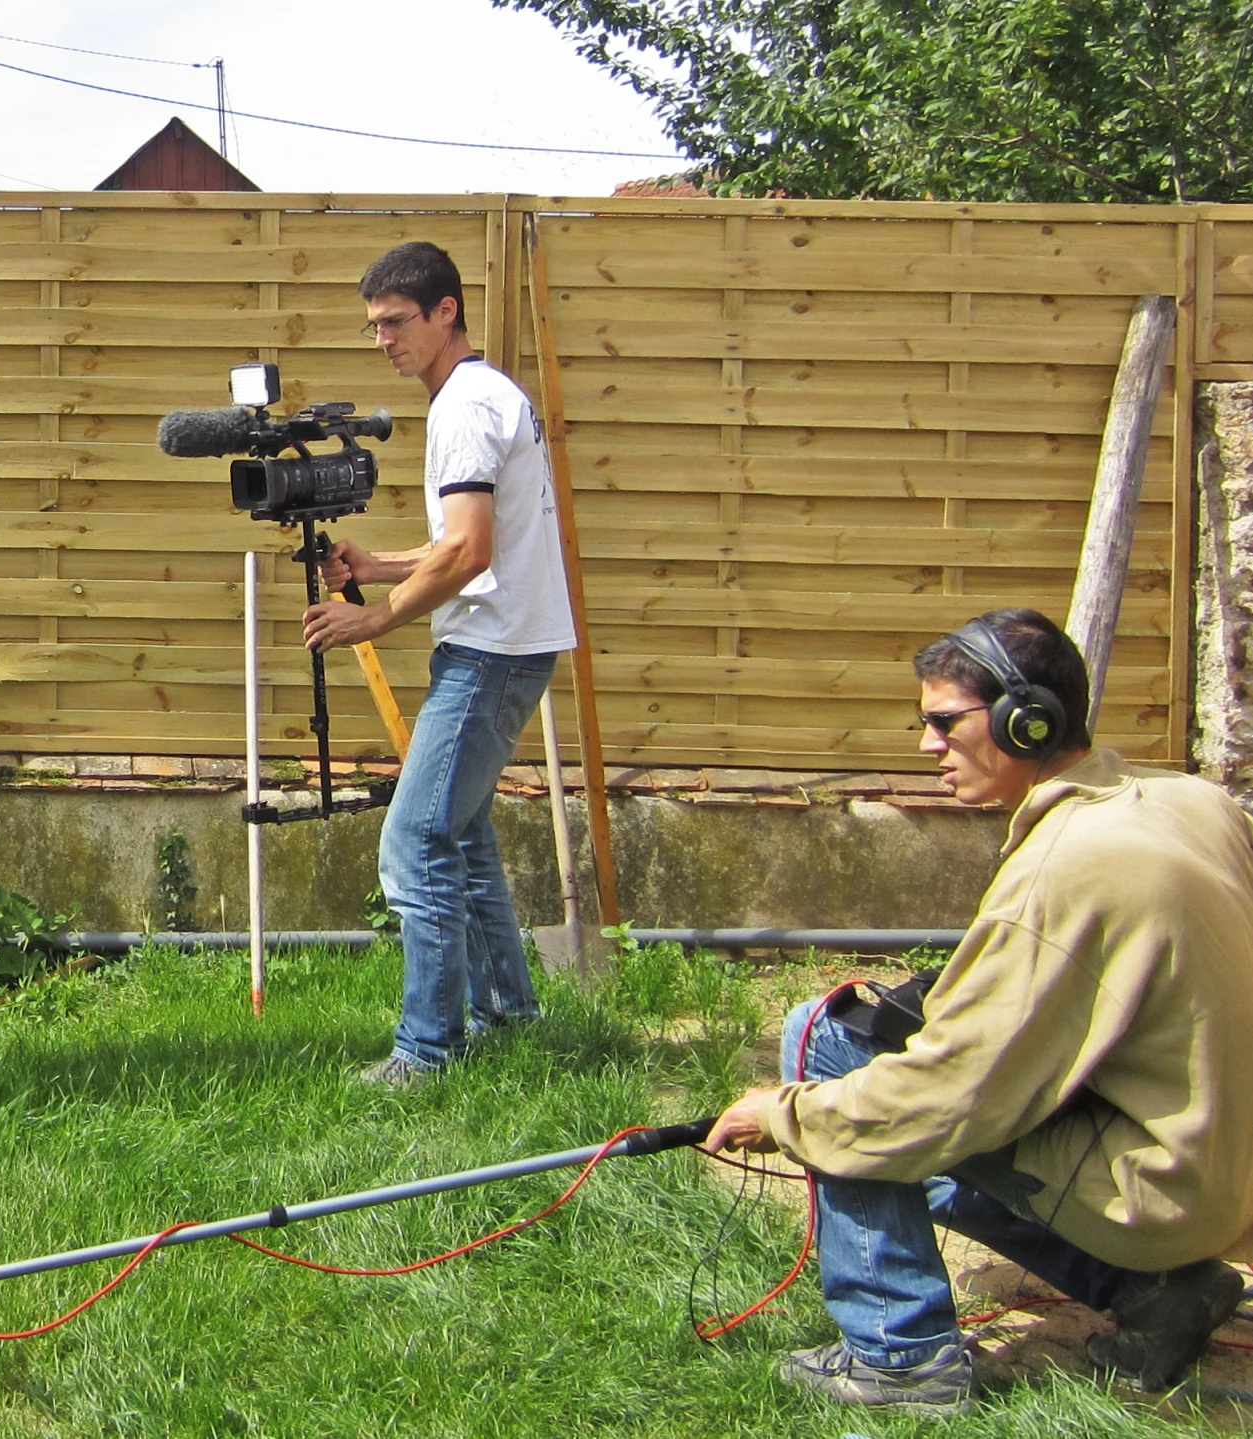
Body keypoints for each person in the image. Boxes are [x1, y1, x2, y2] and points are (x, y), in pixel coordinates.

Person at [707, 608, 1253, 1414]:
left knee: (823, 1043)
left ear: (1023, 721)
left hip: (1160, 1191)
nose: (925, 744)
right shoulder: (1187, 800)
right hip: (1222, 1170)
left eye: (942, 721)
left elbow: (942, 1098)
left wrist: (786, 1113)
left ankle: (900, 1361)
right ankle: (1153, 1294)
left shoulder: (1063, 869)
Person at [300, 241, 576, 1082]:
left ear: (445, 310)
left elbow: (464, 553)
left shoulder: (461, 406)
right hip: (509, 641)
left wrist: (373, 618)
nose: (382, 340)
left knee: (415, 839)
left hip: (489, 651)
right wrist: (377, 564)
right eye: (373, 326)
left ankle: (426, 1049)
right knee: (462, 837)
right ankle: (510, 1013)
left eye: (395, 322)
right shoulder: (487, 394)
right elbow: (461, 544)